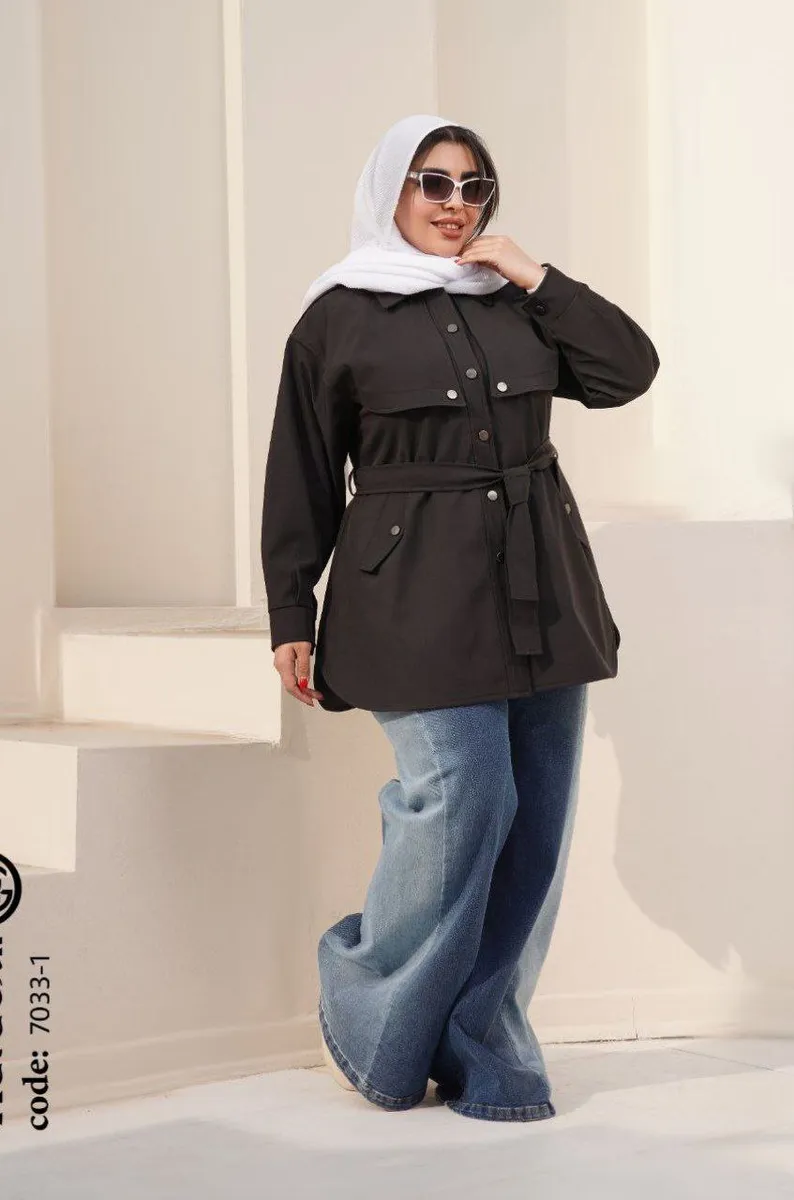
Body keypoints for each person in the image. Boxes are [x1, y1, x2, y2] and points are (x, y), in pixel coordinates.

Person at [261, 114, 659, 1121]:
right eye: (431, 183)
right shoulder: (337, 317)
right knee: (467, 798)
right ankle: (373, 1015)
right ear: (390, 190)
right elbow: (302, 472)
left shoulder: (517, 302)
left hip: (542, 589)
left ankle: (484, 1043)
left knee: (535, 824)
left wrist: (536, 275)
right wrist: (289, 608)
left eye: (472, 186)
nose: (454, 204)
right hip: (410, 598)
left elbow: (627, 371)